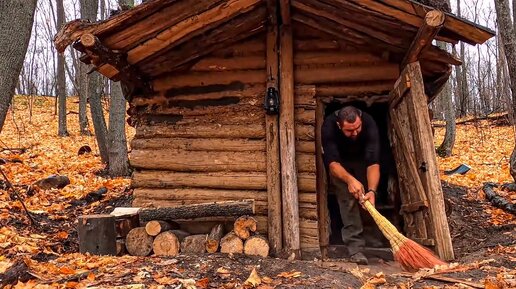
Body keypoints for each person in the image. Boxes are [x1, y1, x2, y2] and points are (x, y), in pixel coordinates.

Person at [322, 106, 380, 265]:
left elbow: (373, 161)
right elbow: (332, 163)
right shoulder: (329, 126)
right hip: (339, 164)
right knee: (347, 198)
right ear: (339, 126)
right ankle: (355, 247)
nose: (355, 133)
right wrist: (349, 180)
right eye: (349, 130)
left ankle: (371, 236)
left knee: (368, 195)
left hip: (363, 160)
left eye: (358, 128)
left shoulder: (368, 122)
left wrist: (372, 190)